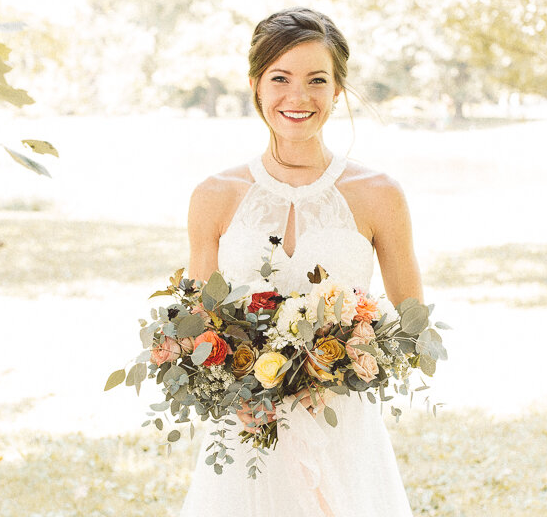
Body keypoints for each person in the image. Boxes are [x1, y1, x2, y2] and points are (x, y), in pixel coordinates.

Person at [181, 7, 423, 517]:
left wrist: (350, 353)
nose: (298, 97)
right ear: (255, 85)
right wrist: (232, 383)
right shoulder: (214, 195)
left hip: (342, 429)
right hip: (246, 428)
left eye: (317, 80)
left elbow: (413, 330)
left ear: (337, 90)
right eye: (280, 78)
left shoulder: (379, 195)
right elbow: (195, 326)